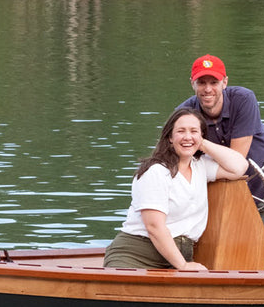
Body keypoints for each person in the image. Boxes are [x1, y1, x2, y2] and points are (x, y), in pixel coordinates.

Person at [179, 54, 264, 271]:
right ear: (192, 84)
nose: (208, 89)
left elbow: (236, 161)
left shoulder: (244, 99)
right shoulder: (184, 115)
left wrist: (199, 143)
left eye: (214, 82)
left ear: (225, 82)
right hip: (223, 183)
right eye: (201, 82)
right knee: (216, 244)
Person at [104, 107, 248, 271]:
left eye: (194, 131)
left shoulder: (200, 166)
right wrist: (183, 265)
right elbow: (154, 227)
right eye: (181, 131)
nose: (187, 136)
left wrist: (202, 143)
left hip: (176, 257)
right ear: (170, 137)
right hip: (136, 256)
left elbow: (239, 167)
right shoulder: (156, 171)